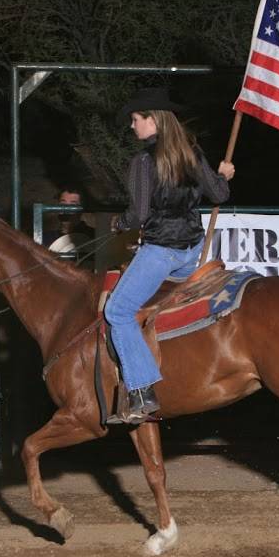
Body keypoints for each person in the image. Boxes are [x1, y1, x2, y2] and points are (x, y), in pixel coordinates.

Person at [104, 88, 235, 423]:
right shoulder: (191, 152)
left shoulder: (143, 162)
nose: (133, 127)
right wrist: (224, 174)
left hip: (161, 251)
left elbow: (140, 216)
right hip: (192, 249)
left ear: (154, 120)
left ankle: (141, 390)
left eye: (136, 120)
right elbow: (219, 192)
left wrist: (118, 223)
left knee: (117, 310)